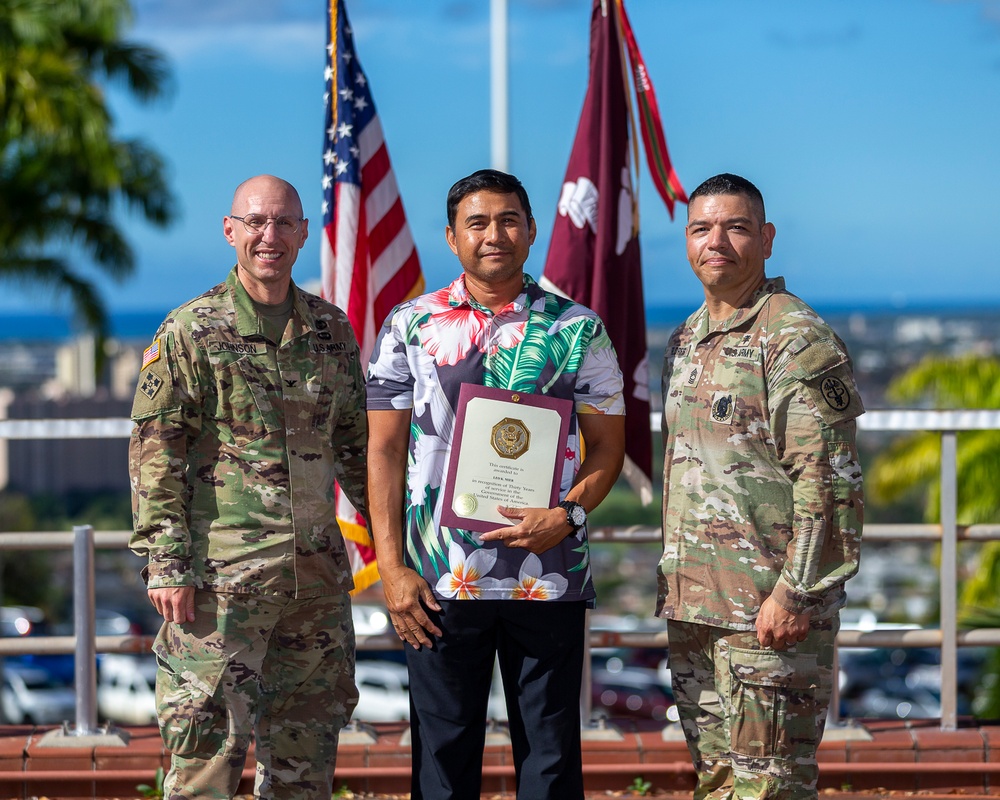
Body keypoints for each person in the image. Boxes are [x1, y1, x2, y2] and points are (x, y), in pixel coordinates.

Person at [366, 168, 626, 800]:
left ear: (532, 230)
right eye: (477, 223)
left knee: (551, 758)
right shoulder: (411, 325)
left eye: (509, 220)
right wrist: (391, 569)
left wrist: (565, 514)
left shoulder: (577, 328)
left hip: (549, 570)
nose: (494, 235)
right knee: (443, 758)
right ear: (452, 237)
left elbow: (608, 451)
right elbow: (384, 448)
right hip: (437, 577)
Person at [128, 174, 367, 800]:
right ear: (230, 230)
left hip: (314, 587)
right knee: (206, 760)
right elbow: (157, 454)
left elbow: (358, 452)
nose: (270, 236)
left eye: (284, 222)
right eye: (256, 222)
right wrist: (166, 564)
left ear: (304, 234)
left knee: (304, 765)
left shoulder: (331, 333)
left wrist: (401, 549)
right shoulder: (190, 331)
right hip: (218, 589)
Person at [657, 173, 865, 800]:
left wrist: (797, 594)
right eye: (701, 228)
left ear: (767, 239)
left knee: (768, 789)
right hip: (697, 609)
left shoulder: (794, 338)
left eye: (735, 226)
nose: (715, 241)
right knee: (719, 784)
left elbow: (828, 483)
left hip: (768, 614)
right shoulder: (689, 337)